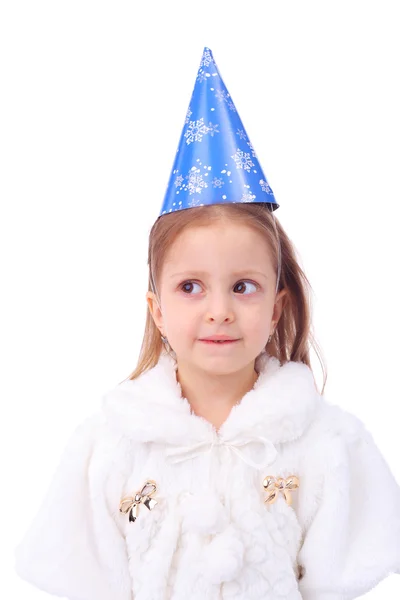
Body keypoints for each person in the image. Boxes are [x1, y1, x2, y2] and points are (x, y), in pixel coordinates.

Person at [14, 47, 400, 600]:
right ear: (158, 310)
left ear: (276, 307)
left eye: (243, 287)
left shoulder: (323, 442)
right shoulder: (113, 444)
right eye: (190, 287)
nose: (218, 310)